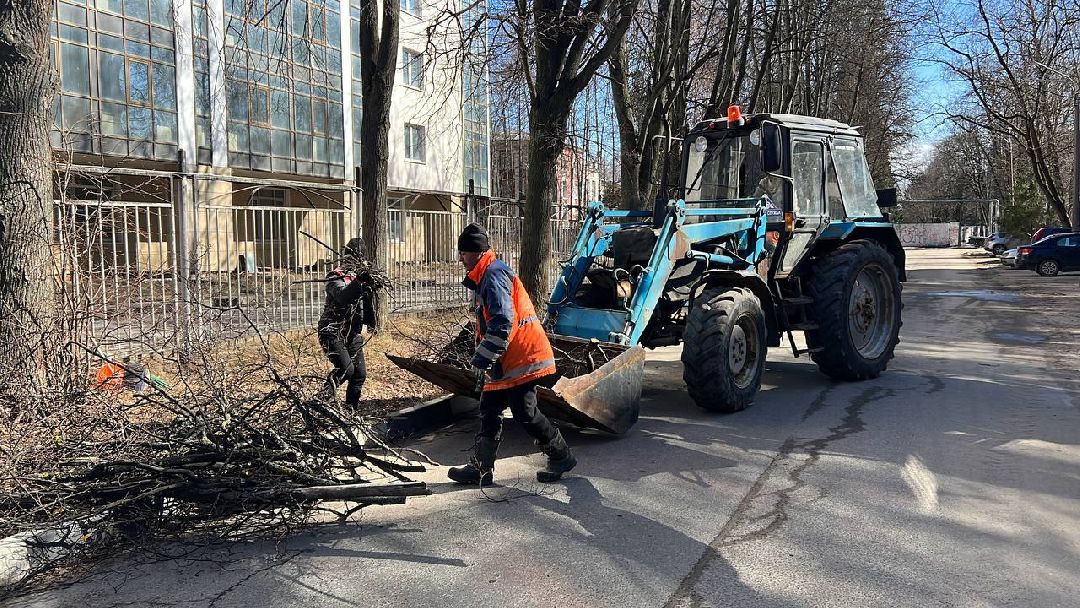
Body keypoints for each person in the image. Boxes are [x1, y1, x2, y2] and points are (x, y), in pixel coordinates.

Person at [448, 223, 577, 486]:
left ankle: (561, 455)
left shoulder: (493, 274)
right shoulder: (487, 273)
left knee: (524, 412)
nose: (460, 257)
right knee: (490, 409)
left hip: (522, 358)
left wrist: (483, 358)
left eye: (463, 252)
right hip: (507, 359)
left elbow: (502, 321)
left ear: (475, 252)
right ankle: (481, 469)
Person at [318, 237, 377, 410]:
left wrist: (371, 322)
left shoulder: (360, 277)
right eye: (355, 259)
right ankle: (319, 402)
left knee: (359, 374)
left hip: (352, 333)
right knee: (346, 370)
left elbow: (365, 304)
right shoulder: (335, 276)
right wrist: (359, 282)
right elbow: (343, 296)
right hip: (331, 332)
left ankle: (350, 412)